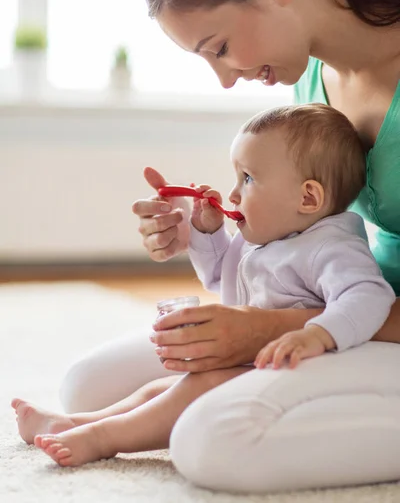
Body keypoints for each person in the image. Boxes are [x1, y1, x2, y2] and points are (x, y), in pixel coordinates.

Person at [47, 0, 400, 492]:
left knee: (212, 441)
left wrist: (267, 328)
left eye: (218, 47)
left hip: (366, 318)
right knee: (89, 386)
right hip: (342, 310)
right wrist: (207, 232)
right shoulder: (311, 80)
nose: (227, 79)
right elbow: (299, 235)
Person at [12, 104, 395, 468]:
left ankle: (104, 439)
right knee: (160, 389)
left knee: (192, 390)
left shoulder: (331, 247)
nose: (232, 195)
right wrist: (207, 232)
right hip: (255, 358)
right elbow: (221, 279)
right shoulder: (270, 235)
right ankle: (77, 422)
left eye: (248, 179)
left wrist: (318, 335)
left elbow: (368, 295)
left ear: (308, 197)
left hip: (311, 365)